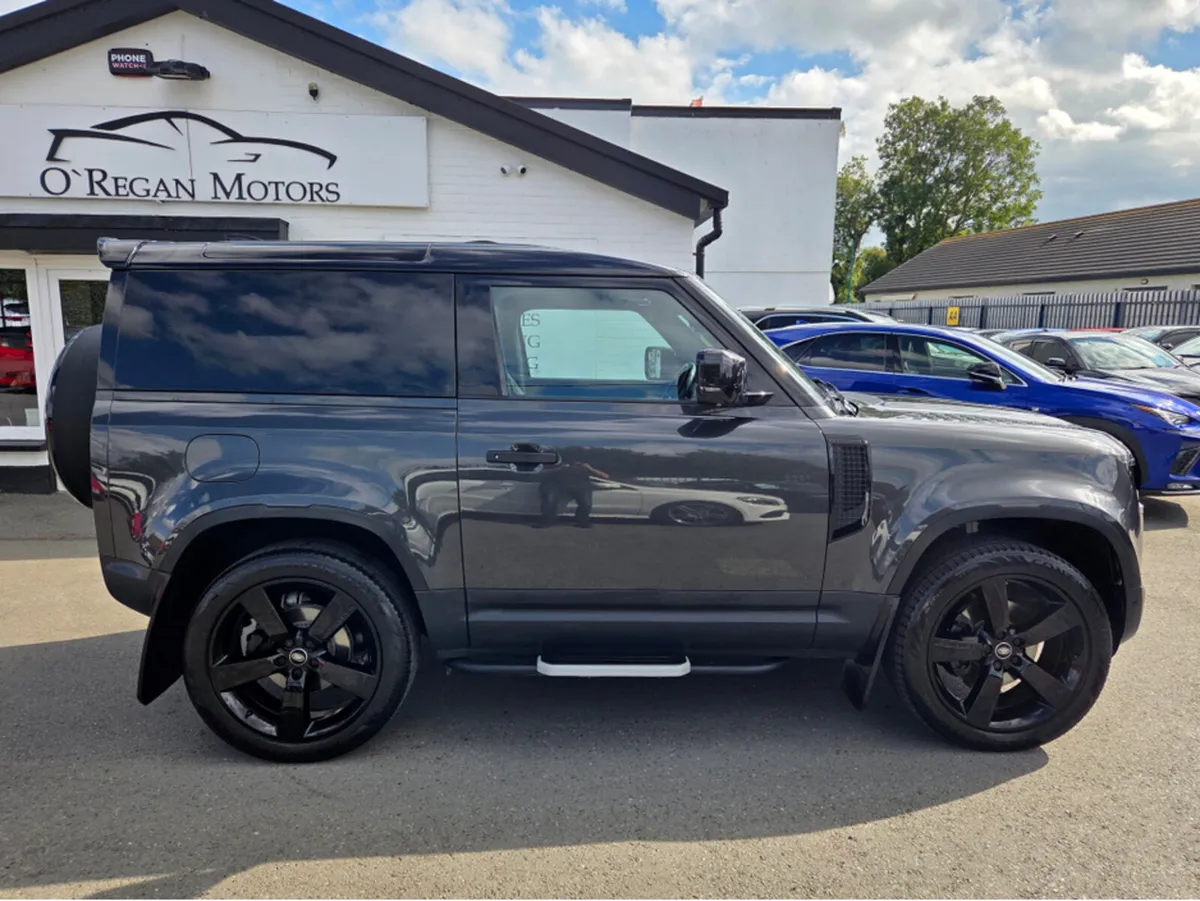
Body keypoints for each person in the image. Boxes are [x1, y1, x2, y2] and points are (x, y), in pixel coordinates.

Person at [537, 460, 608, 528]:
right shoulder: (559, 465)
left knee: (586, 502)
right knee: (549, 499)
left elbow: (605, 476)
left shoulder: (585, 467)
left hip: (579, 485)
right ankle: (547, 521)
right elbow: (541, 473)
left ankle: (582, 521)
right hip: (557, 484)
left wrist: (590, 468)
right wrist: (559, 468)